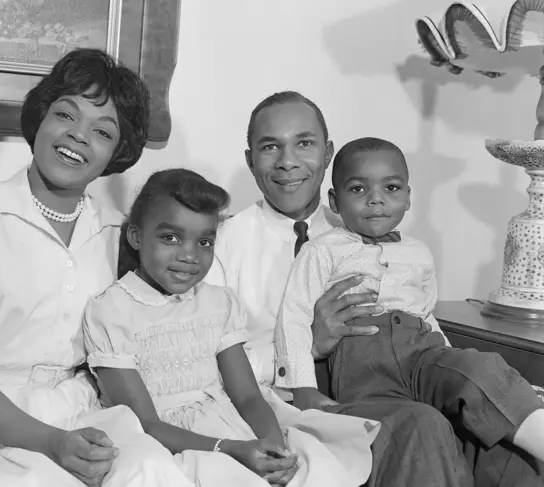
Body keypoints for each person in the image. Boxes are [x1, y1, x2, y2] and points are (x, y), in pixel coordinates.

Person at [207, 91, 543, 486]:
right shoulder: (222, 243)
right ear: (250, 159)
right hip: (294, 401)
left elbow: (419, 307)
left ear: (328, 152)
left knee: (505, 446)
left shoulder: (368, 224)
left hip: (405, 372)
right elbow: (206, 358)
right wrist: (310, 347)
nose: (287, 162)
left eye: (304, 143)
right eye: (270, 147)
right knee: (420, 425)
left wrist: (448, 374)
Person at [0, 49, 194, 487]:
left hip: (87, 413)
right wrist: (52, 442)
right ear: (40, 117)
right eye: (64, 114)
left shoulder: (120, 235)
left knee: (155, 472)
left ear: (116, 152)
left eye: (102, 131)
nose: (77, 136)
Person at [83, 168, 379, 487]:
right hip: (173, 444)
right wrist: (233, 450)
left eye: (205, 242)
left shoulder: (218, 303)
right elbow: (146, 423)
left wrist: (272, 446)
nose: (189, 255)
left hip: (234, 427)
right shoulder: (112, 311)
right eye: (170, 237)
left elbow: (248, 395)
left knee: (311, 466)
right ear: (136, 236)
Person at [275, 136, 544, 470]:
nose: (376, 200)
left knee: (481, 369)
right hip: (367, 369)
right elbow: (294, 317)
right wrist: (301, 388)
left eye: (391, 188)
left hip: (424, 354)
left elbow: (427, 314)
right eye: (358, 189)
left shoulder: (419, 252)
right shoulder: (323, 250)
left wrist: (453, 366)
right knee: (420, 423)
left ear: (408, 197)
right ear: (334, 200)